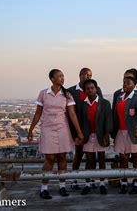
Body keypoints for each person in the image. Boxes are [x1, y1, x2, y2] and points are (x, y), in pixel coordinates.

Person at [28, 69, 84, 199]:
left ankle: (62, 186)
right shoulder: (43, 94)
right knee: (49, 158)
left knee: (62, 157)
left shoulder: (67, 94)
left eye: (63, 76)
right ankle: (44, 187)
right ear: (52, 79)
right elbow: (38, 113)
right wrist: (31, 129)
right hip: (47, 128)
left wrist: (79, 132)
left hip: (62, 128)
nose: (62, 78)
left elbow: (72, 114)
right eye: (59, 76)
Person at [112, 72, 137, 195]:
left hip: (133, 132)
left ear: (134, 84)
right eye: (124, 82)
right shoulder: (119, 97)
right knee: (123, 158)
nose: (125, 84)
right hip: (120, 132)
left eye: (128, 82)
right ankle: (124, 182)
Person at [67, 67, 103, 190]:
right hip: (78, 130)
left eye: (90, 75)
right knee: (78, 155)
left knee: (91, 157)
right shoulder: (71, 91)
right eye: (84, 75)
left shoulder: (96, 90)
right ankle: (74, 179)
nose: (87, 77)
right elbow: (69, 113)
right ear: (79, 75)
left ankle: (91, 179)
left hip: (92, 131)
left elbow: (101, 107)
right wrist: (74, 133)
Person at [79, 79, 112, 195]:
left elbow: (109, 119)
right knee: (89, 161)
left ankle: (102, 183)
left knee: (101, 160)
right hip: (88, 136)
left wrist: (106, 133)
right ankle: (88, 183)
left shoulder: (105, 103)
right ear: (85, 91)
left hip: (101, 135)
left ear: (96, 88)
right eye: (87, 89)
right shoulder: (83, 104)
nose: (90, 90)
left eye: (92, 88)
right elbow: (81, 120)